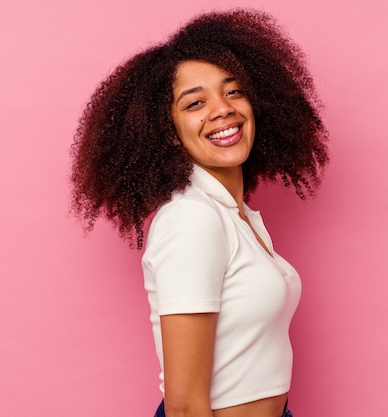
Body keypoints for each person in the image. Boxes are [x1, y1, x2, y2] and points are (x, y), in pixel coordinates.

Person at [70, 8, 328, 417]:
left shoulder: (238, 216)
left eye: (234, 91)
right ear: (169, 133)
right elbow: (186, 406)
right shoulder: (192, 219)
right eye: (195, 103)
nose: (222, 109)